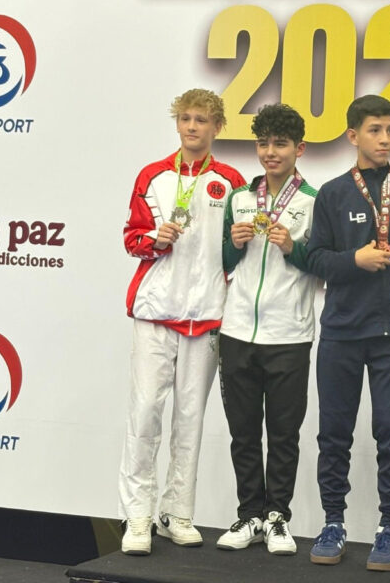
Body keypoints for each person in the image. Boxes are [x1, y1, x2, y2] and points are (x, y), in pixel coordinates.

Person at [306, 94, 390, 572]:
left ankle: (389, 528)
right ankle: (333, 522)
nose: (385, 139)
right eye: (375, 130)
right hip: (342, 331)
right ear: (352, 135)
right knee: (334, 434)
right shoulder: (333, 193)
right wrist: (354, 261)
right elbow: (315, 259)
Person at [118, 89, 245, 555]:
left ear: (217, 127)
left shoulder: (231, 182)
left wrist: (240, 242)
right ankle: (137, 516)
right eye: (186, 118)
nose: (193, 127)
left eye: (203, 120)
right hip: (155, 311)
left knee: (190, 420)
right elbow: (131, 239)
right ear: (177, 123)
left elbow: (237, 251)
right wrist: (155, 238)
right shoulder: (152, 176)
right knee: (145, 413)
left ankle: (178, 512)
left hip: (207, 315)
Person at [215, 104, 318, 556]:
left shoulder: (314, 202)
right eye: (263, 143)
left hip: (289, 334)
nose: (270, 152)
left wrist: (294, 248)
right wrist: (232, 244)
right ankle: (249, 515)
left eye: (280, 144)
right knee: (242, 432)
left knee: (283, 434)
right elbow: (222, 261)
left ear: (300, 148)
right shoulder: (239, 197)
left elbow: (322, 264)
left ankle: (277, 518)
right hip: (237, 330)